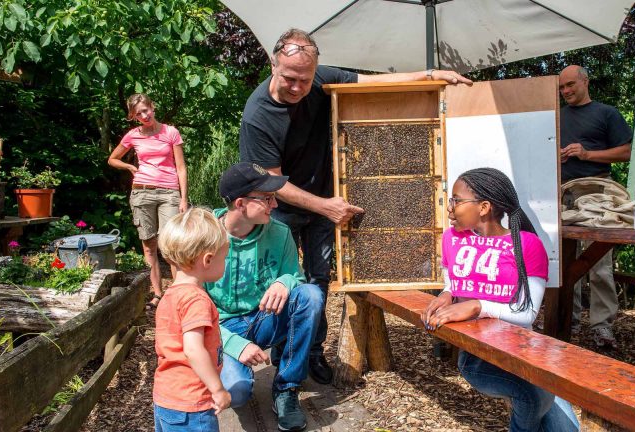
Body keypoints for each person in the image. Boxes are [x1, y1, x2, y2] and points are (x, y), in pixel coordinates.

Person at [239, 28, 472, 384]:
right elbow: (274, 182)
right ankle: (283, 354)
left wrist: (429, 75)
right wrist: (325, 206)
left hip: (323, 201)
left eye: (306, 78)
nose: (299, 87)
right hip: (279, 206)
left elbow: (372, 81)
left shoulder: (320, 78)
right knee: (281, 283)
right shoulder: (258, 115)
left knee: (317, 281)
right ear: (273, 64)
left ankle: (312, 352)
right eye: (289, 78)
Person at [422, 168, 579, 432]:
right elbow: (453, 283)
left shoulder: (527, 245)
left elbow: (527, 313)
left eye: (456, 200)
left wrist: (478, 306)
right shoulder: (451, 239)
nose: (449, 208)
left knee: (566, 429)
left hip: (524, 353)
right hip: (479, 359)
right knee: (533, 398)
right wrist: (447, 294)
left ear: (484, 207)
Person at [206, 162, 324, 432]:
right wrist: (236, 346)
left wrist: (286, 280)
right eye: (267, 198)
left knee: (311, 296)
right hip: (219, 329)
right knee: (236, 394)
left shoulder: (280, 233)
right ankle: (220, 367)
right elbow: (192, 313)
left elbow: (298, 279)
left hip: (264, 318)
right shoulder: (204, 235)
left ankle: (286, 389)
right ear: (240, 203)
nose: (275, 205)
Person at [559, 65, 633, 348]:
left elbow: (626, 152)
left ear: (585, 81)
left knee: (599, 263)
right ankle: (567, 319)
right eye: (562, 88)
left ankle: (602, 326)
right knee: (564, 261)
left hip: (599, 192)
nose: (565, 91)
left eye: (570, 85)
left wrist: (587, 153)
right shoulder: (557, 117)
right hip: (562, 192)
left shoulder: (607, 113)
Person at [153, 208, 231, 432]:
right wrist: (217, 390)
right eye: (223, 258)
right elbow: (193, 349)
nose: (224, 263)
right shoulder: (196, 299)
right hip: (192, 404)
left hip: (166, 398)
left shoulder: (169, 294)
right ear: (207, 259)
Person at [108, 93, 188, 309]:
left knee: (171, 245)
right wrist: (129, 167)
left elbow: (181, 168)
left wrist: (183, 198)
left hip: (169, 192)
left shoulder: (170, 132)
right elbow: (112, 159)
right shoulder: (133, 136)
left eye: (146, 110)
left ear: (153, 107)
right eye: (138, 113)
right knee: (149, 246)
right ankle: (158, 294)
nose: (144, 115)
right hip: (142, 192)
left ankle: (179, 293)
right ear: (133, 116)